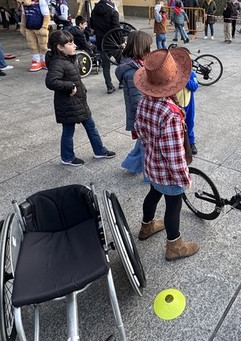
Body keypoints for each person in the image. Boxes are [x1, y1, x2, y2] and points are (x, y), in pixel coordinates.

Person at [133, 47, 199, 261]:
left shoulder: (144, 101)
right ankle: (174, 246)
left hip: (152, 164)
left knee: (153, 194)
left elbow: (139, 131)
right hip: (168, 170)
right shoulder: (169, 112)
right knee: (174, 205)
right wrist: (184, 177)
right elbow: (174, 155)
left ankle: (146, 226)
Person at [45, 30, 115, 166]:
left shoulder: (67, 59)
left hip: (78, 102)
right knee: (68, 132)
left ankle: (99, 150)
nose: (74, 46)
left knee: (91, 127)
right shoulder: (57, 62)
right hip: (68, 104)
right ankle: (67, 157)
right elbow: (51, 81)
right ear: (59, 47)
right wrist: (70, 86)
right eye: (70, 44)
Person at [116, 30, 152, 174]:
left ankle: (130, 164)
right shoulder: (132, 72)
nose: (150, 51)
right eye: (147, 48)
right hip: (141, 117)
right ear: (139, 49)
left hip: (142, 115)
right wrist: (147, 118)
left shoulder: (137, 65)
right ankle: (150, 176)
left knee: (142, 144)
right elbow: (137, 100)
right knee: (146, 148)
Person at [91, 0, 119, 93]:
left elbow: (92, 26)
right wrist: (121, 41)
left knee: (106, 66)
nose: (113, 1)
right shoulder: (112, 11)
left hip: (101, 42)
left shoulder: (94, 11)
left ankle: (109, 86)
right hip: (112, 42)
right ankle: (122, 81)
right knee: (121, 61)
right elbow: (116, 29)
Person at [175, 68, 198, 155]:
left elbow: (194, 87)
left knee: (190, 122)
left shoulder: (191, 73)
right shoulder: (172, 73)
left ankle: (191, 142)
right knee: (177, 124)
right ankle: (178, 143)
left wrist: (185, 79)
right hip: (176, 104)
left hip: (188, 104)